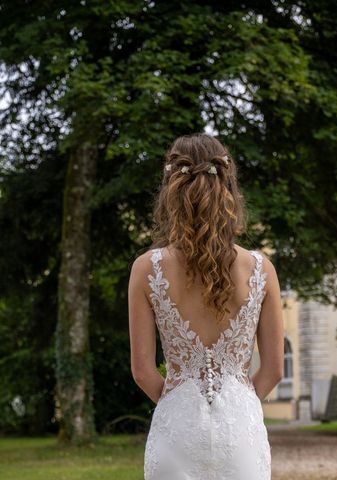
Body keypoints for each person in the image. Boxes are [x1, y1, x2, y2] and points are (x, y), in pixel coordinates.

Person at [127, 133, 284, 479]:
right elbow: (273, 369)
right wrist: (236, 400)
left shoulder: (146, 269)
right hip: (240, 428)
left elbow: (143, 371)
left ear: (171, 189)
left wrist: (181, 402)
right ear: (228, 187)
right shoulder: (261, 270)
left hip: (176, 429)